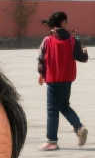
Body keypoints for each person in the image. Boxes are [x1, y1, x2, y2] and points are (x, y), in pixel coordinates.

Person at [35, 11, 88, 150]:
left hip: (52, 79)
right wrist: (85, 51)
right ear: (63, 22)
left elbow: (41, 58)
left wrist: (41, 74)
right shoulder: (72, 40)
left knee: (52, 109)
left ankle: (52, 141)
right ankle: (79, 127)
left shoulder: (47, 40)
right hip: (67, 79)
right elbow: (82, 58)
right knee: (64, 105)